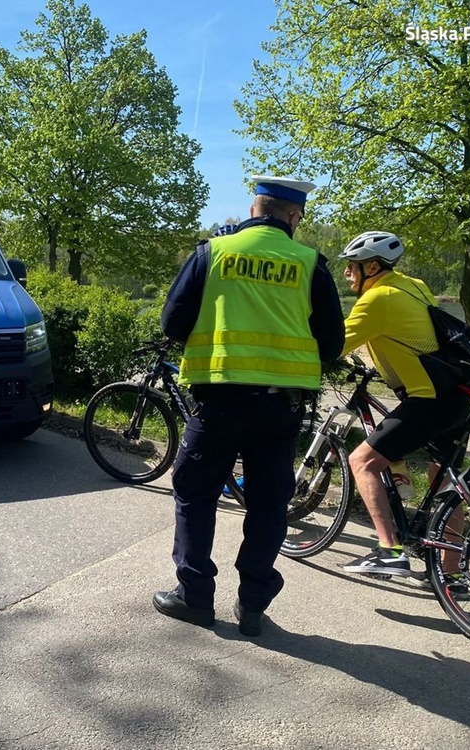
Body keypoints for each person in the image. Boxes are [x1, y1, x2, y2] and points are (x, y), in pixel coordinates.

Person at [153, 176, 345, 636]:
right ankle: (254, 604)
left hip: (218, 399)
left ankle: (195, 596)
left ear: (255, 208)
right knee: (268, 504)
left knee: (196, 495)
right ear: (293, 216)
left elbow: (172, 323)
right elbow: (333, 344)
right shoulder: (310, 263)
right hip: (281, 409)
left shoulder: (211, 253)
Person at [336, 231, 470, 579]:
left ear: (372, 266)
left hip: (427, 399)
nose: (347, 274)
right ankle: (451, 575)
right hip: (457, 394)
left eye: (352, 267)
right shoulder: (414, 284)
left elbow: (333, 345)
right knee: (445, 482)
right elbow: (411, 333)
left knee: (361, 461)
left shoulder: (376, 299)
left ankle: (389, 551)